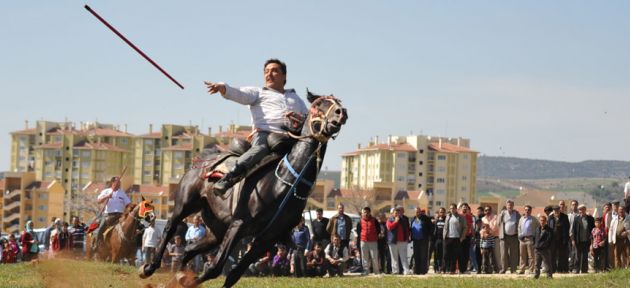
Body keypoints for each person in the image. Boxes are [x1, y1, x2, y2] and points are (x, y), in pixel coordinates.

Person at [205, 59, 308, 195]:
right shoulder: (258, 92)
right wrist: (222, 87)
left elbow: (307, 121)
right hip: (264, 134)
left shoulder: (296, 98)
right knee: (260, 149)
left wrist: (299, 119)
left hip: (289, 137)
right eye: (266, 72)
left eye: (274, 71)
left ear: (284, 76)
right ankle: (228, 178)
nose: (269, 74)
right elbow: (239, 93)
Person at [94, 176, 131, 252]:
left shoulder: (122, 193)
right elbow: (98, 201)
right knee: (101, 227)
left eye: (119, 182)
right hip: (108, 215)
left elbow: (128, 204)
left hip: (120, 216)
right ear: (113, 183)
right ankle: (97, 244)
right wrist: (107, 196)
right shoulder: (106, 191)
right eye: (117, 181)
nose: (119, 183)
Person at [443, 203, 467, 274]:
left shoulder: (461, 217)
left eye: (453, 208)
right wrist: (444, 235)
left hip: (456, 238)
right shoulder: (448, 216)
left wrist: (462, 238)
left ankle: (452, 270)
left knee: (454, 255)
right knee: (446, 254)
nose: (452, 210)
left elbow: (465, 227)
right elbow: (445, 227)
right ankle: (444, 269)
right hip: (448, 238)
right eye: (450, 208)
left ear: (456, 209)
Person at [497, 199, 520, 274]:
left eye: (511, 205)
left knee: (514, 254)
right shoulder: (502, 214)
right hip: (504, 237)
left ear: (513, 206)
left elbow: (519, 224)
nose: (509, 206)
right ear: (506, 206)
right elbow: (498, 223)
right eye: (508, 205)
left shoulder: (517, 214)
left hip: (514, 236)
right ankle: (504, 269)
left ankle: (513, 270)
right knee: (503, 254)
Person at [356, 206, 380, 275]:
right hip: (363, 241)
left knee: (374, 257)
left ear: (369, 213)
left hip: (373, 241)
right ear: (362, 213)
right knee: (364, 257)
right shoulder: (359, 222)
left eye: (367, 212)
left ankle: (376, 271)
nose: (366, 214)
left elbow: (378, 230)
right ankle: (366, 271)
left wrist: (374, 236)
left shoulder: (374, 220)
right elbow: (358, 232)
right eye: (364, 212)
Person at [386, 207, 411, 275]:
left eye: (398, 213)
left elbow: (407, 229)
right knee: (394, 257)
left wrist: (407, 238)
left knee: (404, 257)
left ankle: (406, 271)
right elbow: (389, 227)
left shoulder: (403, 219)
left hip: (402, 241)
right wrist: (395, 222)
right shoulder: (389, 219)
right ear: (393, 213)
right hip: (393, 241)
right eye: (395, 213)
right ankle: (395, 271)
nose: (397, 214)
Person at [572, 204, 594, 273]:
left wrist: (592, 241)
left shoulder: (590, 218)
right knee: (577, 257)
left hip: (586, 241)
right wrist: (573, 240)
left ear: (585, 209)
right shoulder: (576, 219)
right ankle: (576, 269)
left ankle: (584, 270)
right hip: (578, 241)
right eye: (580, 209)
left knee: (585, 256)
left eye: (583, 209)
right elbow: (573, 230)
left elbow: (592, 230)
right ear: (579, 211)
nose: (581, 211)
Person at [517, 205, 539, 274]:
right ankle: (522, 269)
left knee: (531, 256)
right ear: (524, 210)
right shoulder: (521, 219)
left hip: (530, 239)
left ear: (531, 211)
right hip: (522, 239)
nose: (527, 211)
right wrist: (519, 236)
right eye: (526, 209)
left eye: (529, 210)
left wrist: (535, 237)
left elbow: (538, 228)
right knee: (522, 255)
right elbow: (519, 228)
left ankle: (531, 270)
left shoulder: (534, 219)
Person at [548, 205, 570, 273]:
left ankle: (560, 269)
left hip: (562, 239)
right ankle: (553, 269)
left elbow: (567, 228)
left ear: (559, 210)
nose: (556, 211)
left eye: (557, 210)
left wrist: (565, 239)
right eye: (555, 210)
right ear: (553, 211)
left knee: (562, 255)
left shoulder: (564, 217)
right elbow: (548, 228)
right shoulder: (550, 217)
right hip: (553, 240)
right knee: (553, 255)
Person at [410, 207, 432, 275]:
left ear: (420, 212)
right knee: (416, 255)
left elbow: (431, 228)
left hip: (423, 240)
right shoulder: (413, 219)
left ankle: (423, 271)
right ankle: (417, 271)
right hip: (415, 240)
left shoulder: (426, 218)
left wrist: (429, 236)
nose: (418, 213)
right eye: (416, 212)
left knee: (423, 256)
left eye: (419, 212)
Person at [481, 206, 501, 272]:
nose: (487, 212)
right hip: (485, 240)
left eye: (489, 210)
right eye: (486, 210)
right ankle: (488, 270)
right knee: (487, 257)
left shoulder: (495, 217)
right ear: (484, 211)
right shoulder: (483, 219)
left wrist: (488, 233)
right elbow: (481, 229)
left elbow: (496, 227)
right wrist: (483, 234)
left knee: (496, 255)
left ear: (491, 210)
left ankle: (498, 269)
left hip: (494, 238)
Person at [534, 215, 553, 279]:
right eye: (541, 220)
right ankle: (536, 275)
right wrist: (535, 245)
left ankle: (549, 276)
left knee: (547, 263)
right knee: (537, 264)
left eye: (543, 220)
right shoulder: (537, 229)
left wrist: (545, 246)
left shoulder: (549, 230)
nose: (542, 222)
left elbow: (549, 239)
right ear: (539, 221)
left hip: (545, 249)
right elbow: (535, 238)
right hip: (537, 249)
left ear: (546, 221)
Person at [459, 203, 474, 273]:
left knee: (466, 254)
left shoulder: (469, 217)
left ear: (467, 209)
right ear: (461, 208)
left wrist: (473, 236)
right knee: (460, 254)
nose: (465, 208)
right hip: (460, 237)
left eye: (466, 207)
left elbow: (471, 227)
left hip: (467, 237)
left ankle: (464, 269)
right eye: (463, 207)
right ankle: (460, 269)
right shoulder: (458, 216)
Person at [567, 200, 579, 273]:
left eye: (575, 204)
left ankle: (574, 267)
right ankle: (569, 267)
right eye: (572, 204)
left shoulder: (578, 215)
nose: (574, 206)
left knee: (575, 252)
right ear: (571, 206)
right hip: (568, 236)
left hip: (575, 237)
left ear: (577, 205)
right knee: (570, 252)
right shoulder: (568, 215)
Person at [432, 207, 446, 273]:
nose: (442, 213)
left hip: (444, 240)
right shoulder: (437, 220)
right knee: (437, 254)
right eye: (440, 212)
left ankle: (443, 268)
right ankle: (437, 268)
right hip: (437, 240)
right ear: (439, 213)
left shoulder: (446, 220)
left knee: (444, 255)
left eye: (443, 212)